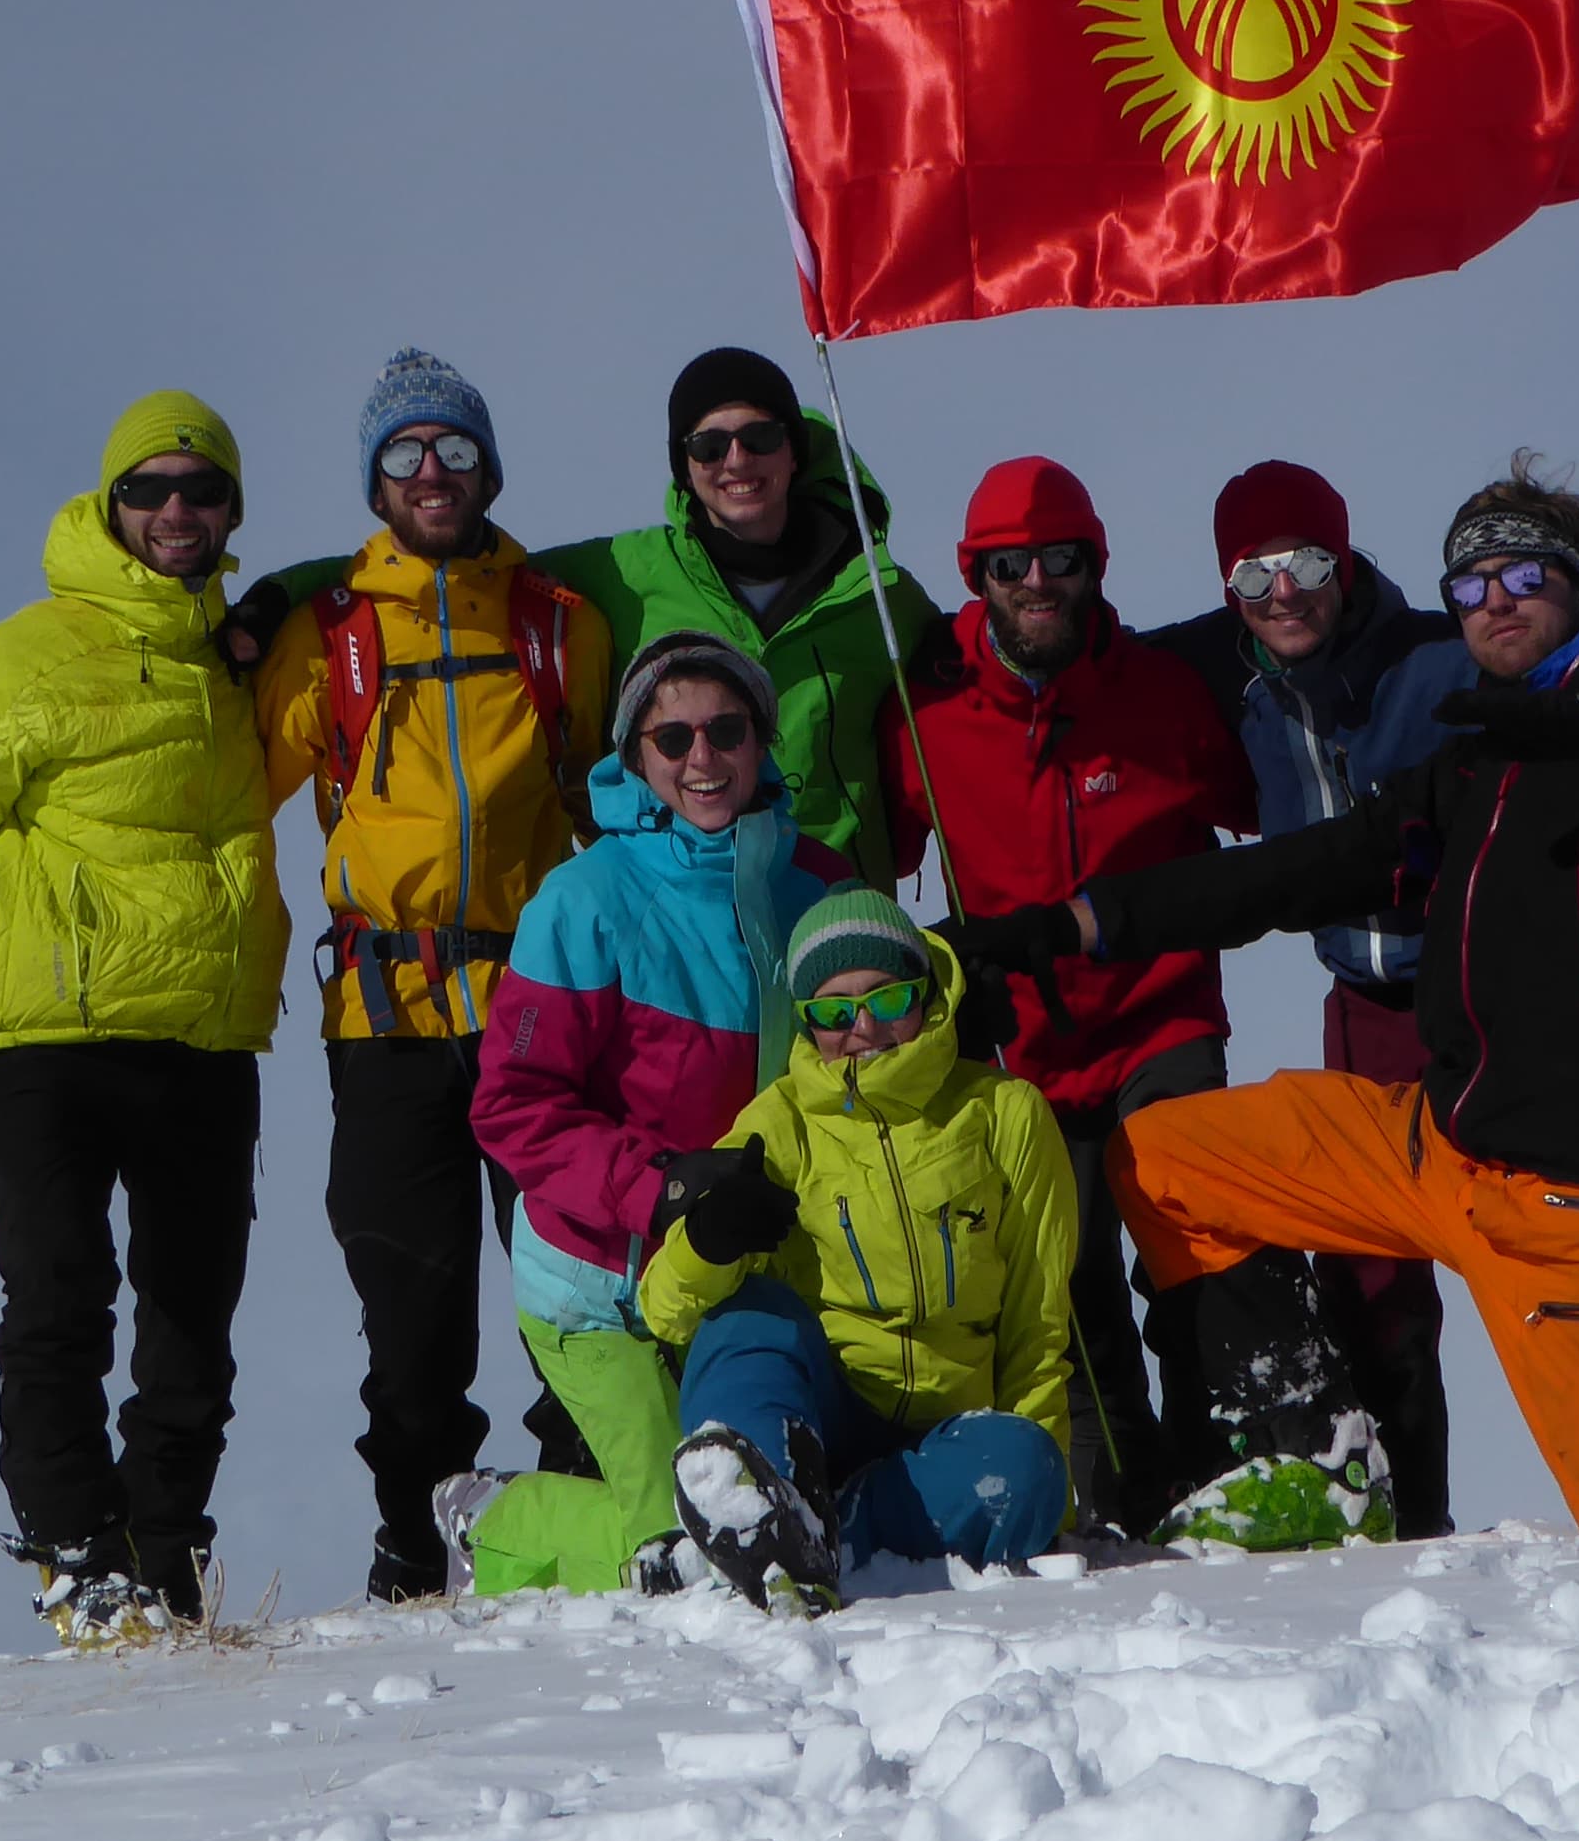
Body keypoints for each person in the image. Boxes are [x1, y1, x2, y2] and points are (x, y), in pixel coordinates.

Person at [948, 453, 1579, 1543]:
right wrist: (1063, 927)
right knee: (1162, 1162)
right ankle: (1315, 1453)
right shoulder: (1477, 764)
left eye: (1524, 579)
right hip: (1435, 1147)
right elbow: (1286, 872)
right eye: (1472, 586)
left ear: (1576, 589)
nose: (1495, 602)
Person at [0, 391, 285, 1642]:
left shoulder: (241, 652)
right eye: (149, 489)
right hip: (55, 1044)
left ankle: (164, 1561)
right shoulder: (23, 656)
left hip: (207, 1046)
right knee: (58, 1303)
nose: (174, 510)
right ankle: (74, 1552)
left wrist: (266, 612)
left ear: (232, 513)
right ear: (111, 504)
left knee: (192, 1332)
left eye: (201, 490)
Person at [254, 349, 616, 1601]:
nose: (431, 473)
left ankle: (581, 1505)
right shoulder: (332, 637)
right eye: (404, 453)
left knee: (572, 1272)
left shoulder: (557, 627)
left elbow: (609, 801)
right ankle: (415, 1533)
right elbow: (229, 799)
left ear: (489, 468)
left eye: (454, 450)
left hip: (537, 1001)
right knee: (408, 1307)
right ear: (374, 482)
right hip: (387, 1011)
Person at [879, 456, 1257, 1532]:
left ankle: (1226, 1463)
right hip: (1028, 1049)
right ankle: (1122, 1497)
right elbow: (872, 861)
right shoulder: (927, 713)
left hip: (1163, 1016)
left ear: (1093, 565)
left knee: (1191, 1233)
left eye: (1058, 559)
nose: (1035, 582)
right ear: (975, 577)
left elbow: (1275, 802)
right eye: (1009, 565)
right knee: (1068, 1275)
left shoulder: (1165, 693)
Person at [448, 634, 828, 1595]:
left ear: (760, 740)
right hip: (594, 1279)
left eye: (726, 730)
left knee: (775, 1510)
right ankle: (497, 1518)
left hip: (739, 1268)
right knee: (689, 1535)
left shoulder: (815, 886)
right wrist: (661, 1186)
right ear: (635, 757)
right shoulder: (584, 900)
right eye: (673, 739)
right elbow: (512, 1106)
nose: (702, 758)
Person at [1151, 459, 1472, 1538]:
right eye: (1254, 570)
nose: (1283, 590)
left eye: (1306, 561)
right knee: (1377, 1278)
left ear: (1345, 560)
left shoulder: (1437, 660)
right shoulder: (1225, 674)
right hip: (1362, 1004)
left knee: (1538, 1233)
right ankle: (1409, 1529)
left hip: (1482, 993)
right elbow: (1098, 671)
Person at [636, 891, 1077, 1611]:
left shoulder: (1004, 1113)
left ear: (928, 995)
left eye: (888, 998)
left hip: (946, 1444)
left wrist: (1047, 1509)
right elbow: (666, 1312)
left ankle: (796, 1540)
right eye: (834, 1012)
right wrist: (709, 1244)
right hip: (822, 1419)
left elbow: (1038, 1324)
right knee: (747, 1317)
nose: (863, 1028)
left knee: (1027, 1466)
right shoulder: (778, 1122)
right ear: (808, 1023)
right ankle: (772, 1503)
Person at [535, 347, 938, 888]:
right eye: (708, 446)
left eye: (761, 437)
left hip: (840, 909)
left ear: (794, 450)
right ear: (684, 467)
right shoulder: (620, 576)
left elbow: (975, 673)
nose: (737, 460)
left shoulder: (879, 596)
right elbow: (493, 582)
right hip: (679, 909)